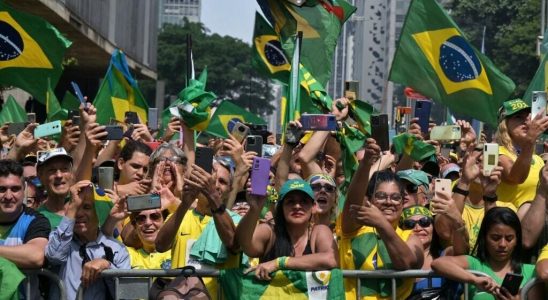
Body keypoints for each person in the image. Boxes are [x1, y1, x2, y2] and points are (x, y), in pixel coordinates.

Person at [341, 139, 423, 300]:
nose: (388, 202)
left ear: (402, 202)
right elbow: (352, 201)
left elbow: (406, 264)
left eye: (395, 197)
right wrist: (365, 163)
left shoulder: (410, 238)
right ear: (369, 200)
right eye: (380, 196)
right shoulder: (355, 226)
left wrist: (381, 224)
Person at [236, 179, 338, 280]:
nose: (297, 206)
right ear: (281, 207)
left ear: (314, 207)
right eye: (290, 201)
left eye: (304, 201)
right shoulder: (270, 232)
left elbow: (331, 259)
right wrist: (255, 209)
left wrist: (279, 263)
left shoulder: (319, 232)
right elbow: (246, 246)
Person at [46, 180, 130, 300]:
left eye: (86, 207)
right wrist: (71, 209)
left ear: (99, 212)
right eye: (75, 206)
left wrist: (107, 267)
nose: (79, 213)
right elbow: (54, 256)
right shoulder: (60, 238)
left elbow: (127, 294)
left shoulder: (117, 248)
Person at [432, 207, 536, 300]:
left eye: (509, 238)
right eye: (495, 238)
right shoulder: (475, 265)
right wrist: (474, 279)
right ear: (484, 238)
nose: (502, 244)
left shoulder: (531, 271)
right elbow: (438, 263)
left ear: (517, 240)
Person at [495, 99, 548, 218]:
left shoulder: (537, 159)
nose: (526, 122)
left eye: (528, 117)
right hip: (508, 226)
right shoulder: (498, 153)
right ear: (504, 124)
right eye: (518, 117)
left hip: (535, 225)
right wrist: (530, 140)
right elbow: (516, 178)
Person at [36, 147, 75, 229]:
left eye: (64, 169)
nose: (59, 175)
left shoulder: (86, 208)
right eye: (52, 170)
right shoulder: (37, 219)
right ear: (40, 176)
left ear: (72, 173)